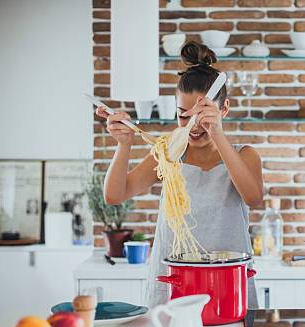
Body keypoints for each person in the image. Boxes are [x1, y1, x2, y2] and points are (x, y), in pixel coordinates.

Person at [96, 41, 264, 307]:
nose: (192, 126)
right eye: (183, 116)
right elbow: (115, 195)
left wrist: (217, 134)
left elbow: (254, 198)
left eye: (202, 115)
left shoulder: (245, 155)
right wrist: (124, 144)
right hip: (174, 279)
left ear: (224, 109)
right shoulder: (169, 154)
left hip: (229, 279)